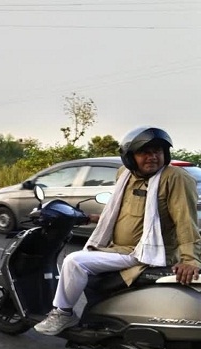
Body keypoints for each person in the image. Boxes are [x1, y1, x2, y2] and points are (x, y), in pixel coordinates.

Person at [34, 127, 201, 336]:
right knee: (88, 269)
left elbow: (186, 221)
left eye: (157, 151)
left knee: (74, 262)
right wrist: (94, 218)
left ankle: (63, 313)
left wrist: (189, 259)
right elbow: (122, 210)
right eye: (145, 152)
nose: (152, 157)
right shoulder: (124, 174)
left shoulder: (174, 177)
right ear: (130, 157)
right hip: (118, 249)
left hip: (145, 252)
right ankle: (100, 321)